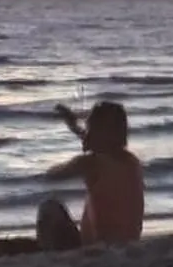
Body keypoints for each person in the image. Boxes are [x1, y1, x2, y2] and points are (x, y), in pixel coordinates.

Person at [37, 99, 145, 250]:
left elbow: (51, 175)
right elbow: (105, 146)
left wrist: (80, 156)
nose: (87, 133)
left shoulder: (90, 162)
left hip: (99, 250)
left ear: (100, 131)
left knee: (49, 207)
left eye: (90, 128)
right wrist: (76, 128)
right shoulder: (132, 162)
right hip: (127, 247)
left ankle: (51, 257)